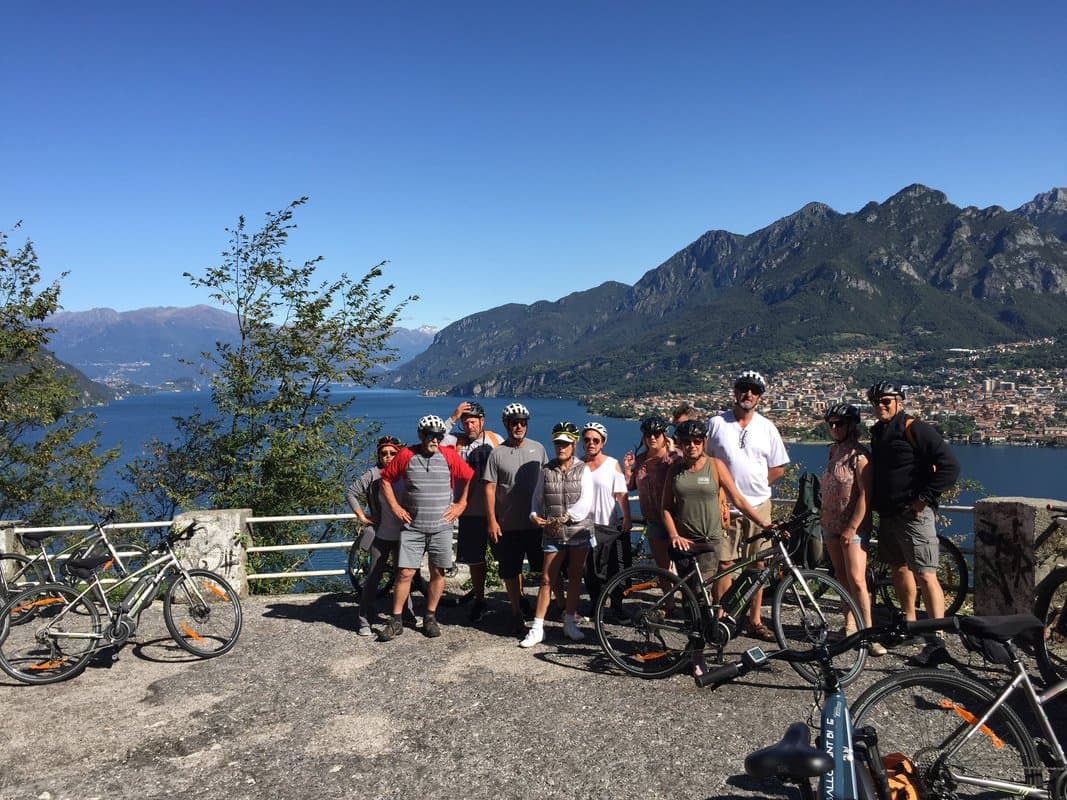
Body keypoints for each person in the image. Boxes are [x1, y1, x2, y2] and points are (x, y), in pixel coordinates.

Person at [867, 381, 960, 666]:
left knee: (926, 574)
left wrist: (924, 499)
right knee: (899, 568)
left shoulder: (915, 428)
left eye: (886, 401)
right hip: (889, 515)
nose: (880, 405)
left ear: (899, 402)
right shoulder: (879, 432)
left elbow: (950, 466)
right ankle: (910, 625)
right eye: (876, 401)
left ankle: (936, 638)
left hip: (913, 516)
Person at [705, 369, 790, 642]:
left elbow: (778, 468)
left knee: (759, 565)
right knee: (725, 564)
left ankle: (754, 620)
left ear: (760, 397)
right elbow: (705, 463)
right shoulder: (717, 424)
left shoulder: (767, 427)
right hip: (725, 507)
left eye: (754, 391)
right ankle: (722, 619)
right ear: (735, 392)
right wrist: (723, 492)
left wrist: (756, 485)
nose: (748, 394)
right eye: (744, 388)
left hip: (759, 506)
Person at [377, 414, 474, 641]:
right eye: (431, 435)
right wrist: (395, 507)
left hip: (441, 527)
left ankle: (430, 616)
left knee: (438, 572)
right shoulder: (406, 455)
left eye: (439, 436)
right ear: (421, 435)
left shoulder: (449, 456)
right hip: (413, 527)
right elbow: (385, 479)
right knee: (405, 573)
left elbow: (469, 477)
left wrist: (462, 504)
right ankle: (396, 619)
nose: (435, 440)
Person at [661, 419, 772, 604]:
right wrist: (673, 535)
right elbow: (665, 507)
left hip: (710, 540)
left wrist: (763, 523)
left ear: (704, 442)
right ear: (680, 443)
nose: (692, 446)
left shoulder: (715, 465)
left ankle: (707, 629)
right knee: (691, 595)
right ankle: (696, 630)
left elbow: (738, 499)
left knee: (705, 594)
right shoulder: (675, 469)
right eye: (687, 441)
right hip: (684, 541)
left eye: (697, 441)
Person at [819, 404, 886, 657]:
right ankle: (849, 625)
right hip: (830, 523)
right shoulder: (833, 452)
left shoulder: (860, 456)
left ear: (851, 426)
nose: (834, 428)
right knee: (842, 577)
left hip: (853, 527)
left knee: (857, 579)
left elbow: (865, 496)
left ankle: (869, 632)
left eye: (840, 424)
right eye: (831, 424)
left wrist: (852, 527)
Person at [521, 421, 595, 648]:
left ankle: (569, 621)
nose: (560, 448)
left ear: (573, 445)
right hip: (553, 531)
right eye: (557, 444)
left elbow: (587, 500)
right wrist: (534, 514)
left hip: (578, 531)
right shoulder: (546, 469)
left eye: (565, 444)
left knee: (574, 576)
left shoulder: (583, 469)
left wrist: (567, 517)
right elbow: (536, 498)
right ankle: (537, 627)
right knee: (546, 579)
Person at [483, 402, 548, 636]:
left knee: (544, 570)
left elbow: (547, 482)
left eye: (522, 422)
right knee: (510, 571)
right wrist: (492, 520)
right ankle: (516, 611)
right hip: (508, 525)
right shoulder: (497, 453)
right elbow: (489, 488)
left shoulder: (538, 449)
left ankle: (548, 609)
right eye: (514, 422)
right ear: (506, 424)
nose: (518, 426)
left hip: (536, 523)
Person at [345, 435, 417, 636]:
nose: (388, 457)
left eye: (392, 453)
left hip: (404, 535)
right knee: (373, 578)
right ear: (378, 455)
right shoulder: (373, 474)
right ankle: (364, 620)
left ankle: (406, 614)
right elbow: (351, 492)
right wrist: (362, 516)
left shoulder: (406, 473)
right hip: (381, 535)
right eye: (384, 453)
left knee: (403, 576)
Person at [442, 401, 503, 623]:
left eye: (473, 421)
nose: (469, 426)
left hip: (495, 511)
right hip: (468, 512)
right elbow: (435, 437)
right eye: (466, 422)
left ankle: (519, 599)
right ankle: (480, 600)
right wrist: (454, 415)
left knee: (506, 558)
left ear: (482, 422)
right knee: (476, 561)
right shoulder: (456, 443)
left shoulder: (496, 440)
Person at [580, 421, 631, 614]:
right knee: (590, 570)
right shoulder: (578, 465)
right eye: (587, 440)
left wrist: (626, 517)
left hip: (608, 525)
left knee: (613, 570)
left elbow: (621, 494)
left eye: (595, 440)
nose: (591, 443)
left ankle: (617, 607)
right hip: (586, 527)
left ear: (602, 443)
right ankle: (596, 605)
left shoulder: (612, 465)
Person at [622, 415, 677, 573]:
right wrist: (627, 468)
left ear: (664, 436)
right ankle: (669, 598)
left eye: (656, 434)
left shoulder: (674, 457)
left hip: (676, 518)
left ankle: (689, 597)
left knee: (684, 565)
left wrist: (673, 454)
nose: (652, 437)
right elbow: (631, 485)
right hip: (653, 520)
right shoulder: (640, 460)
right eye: (648, 434)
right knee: (662, 568)